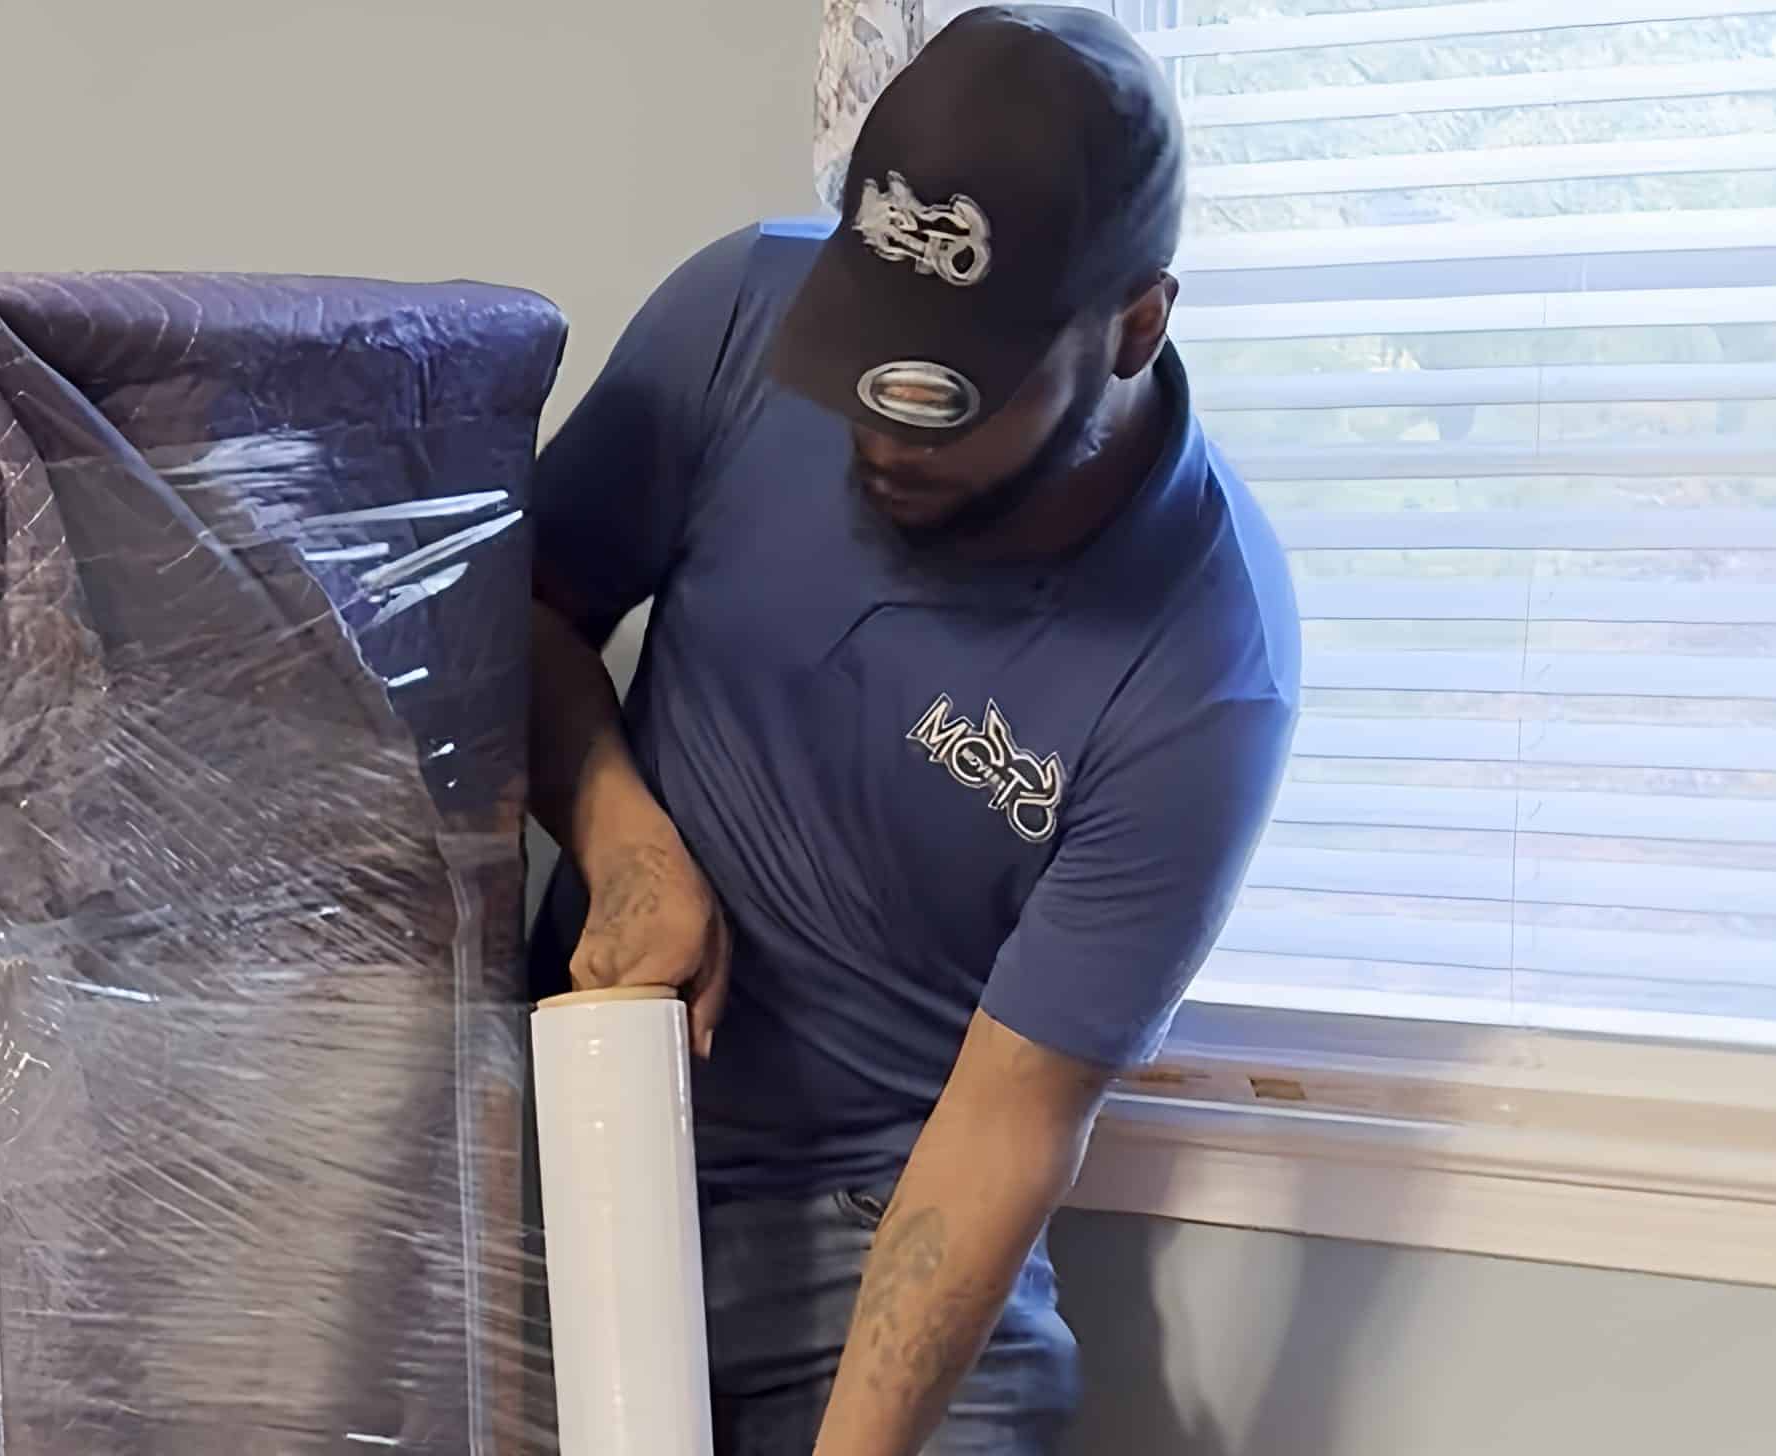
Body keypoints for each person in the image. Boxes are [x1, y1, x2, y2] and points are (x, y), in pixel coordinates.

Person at [523, 6, 1300, 1454]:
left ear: (1133, 328)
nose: (882, 440)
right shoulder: (740, 317)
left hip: (869, 1221)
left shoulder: (1205, 673)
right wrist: (623, 836)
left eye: (948, 403)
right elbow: (519, 617)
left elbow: (1006, 1125)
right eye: (862, 369)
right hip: (575, 1133)